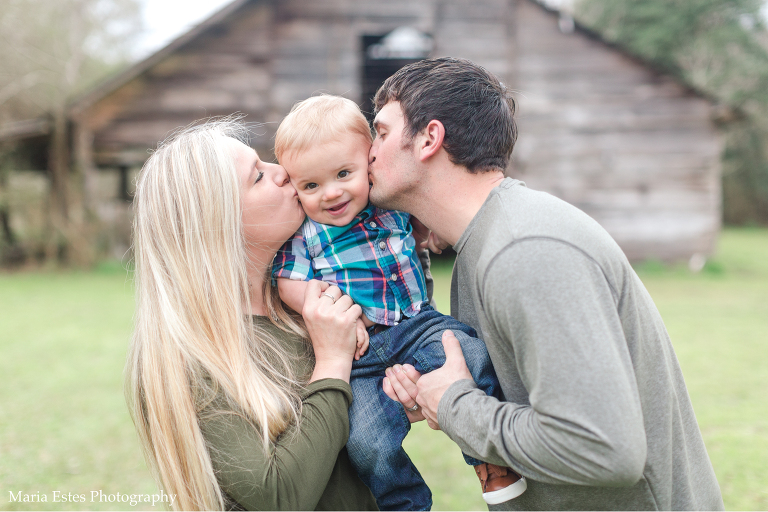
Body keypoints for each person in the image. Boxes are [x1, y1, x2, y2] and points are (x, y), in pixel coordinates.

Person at [373, 57, 725, 510]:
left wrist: (456, 406)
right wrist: (437, 388)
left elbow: (603, 448)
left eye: (381, 132)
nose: (368, 151)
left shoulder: (526, 249)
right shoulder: (484, 249)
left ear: (428, 139)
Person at [270, 95, 526, 510]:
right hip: (362, 353)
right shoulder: (305, 232)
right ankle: (402, 503)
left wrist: (435, 232)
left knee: (473, 354)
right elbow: (289, 282)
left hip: (418, 323)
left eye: (343, 173)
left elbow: (425, 219)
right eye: (311, 185)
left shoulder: (389, 203)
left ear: (368, 161)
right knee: (366, 440)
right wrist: (328, 309)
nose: (331, 193)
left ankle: (491, 463)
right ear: (296, 187)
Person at [125, 119, 379, 511]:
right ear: (217, 221)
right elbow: (278, 497)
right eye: (259, 176)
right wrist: (332, 361)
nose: (283, 173)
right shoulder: (190, 357)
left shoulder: (297, 303)